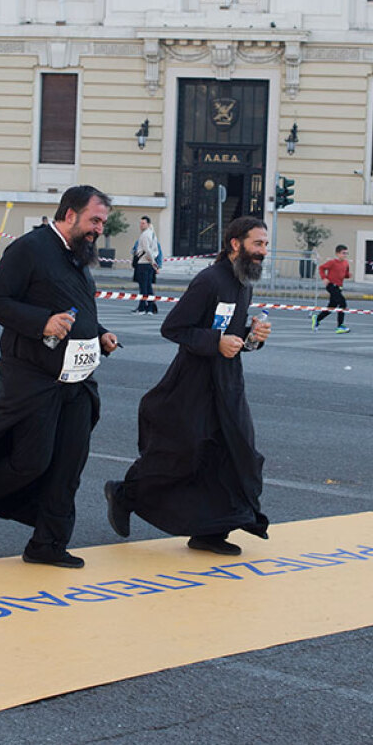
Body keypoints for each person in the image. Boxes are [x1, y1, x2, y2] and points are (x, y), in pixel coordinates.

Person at [0, 185, 121, 568]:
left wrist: (99, 334)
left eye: (102, 222)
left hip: (77, 379)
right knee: (31, 461)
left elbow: (75, 309)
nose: (99, 229)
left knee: (69, 466)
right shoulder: (29, 249)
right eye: (94, 220)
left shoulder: (76, 257)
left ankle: (47, 544)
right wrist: (42, 324)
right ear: (70, 214)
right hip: (32, 377)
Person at [105, 216, 274, 556]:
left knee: (235, 453)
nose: (263, 251)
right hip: (193, 383)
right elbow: (174, 328)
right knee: (181, 454)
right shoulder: (209, 280)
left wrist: (252, 337)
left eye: (266, 245)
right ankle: (125, 494)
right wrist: (216, 343)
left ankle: (211, 532)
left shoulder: (244, 281)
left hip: (227, 384)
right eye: (258, 244)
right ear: (235, 244)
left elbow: (230, 334)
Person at [313, 244, 351, 333]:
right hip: (331, 285)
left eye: (346, 253)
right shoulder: (332, 262)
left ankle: (317, 318)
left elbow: (345, 274)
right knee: (342, 303)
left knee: (332, 306)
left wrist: (348, 275)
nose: (345, 255)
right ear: (337, 254)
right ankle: (340, 326)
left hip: (339, 286)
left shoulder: (346, 263)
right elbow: (321, 268)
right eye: (343, 253)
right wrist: (324, 278)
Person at [130, 215, 163, 313]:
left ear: (148, 224)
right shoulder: (153, 234)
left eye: (143, 223)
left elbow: (147, 250)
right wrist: (154, 263)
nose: (141, 225)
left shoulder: (145, 235)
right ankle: (150, 307)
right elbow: (156, 250)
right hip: (149, 264)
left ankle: (142, 308)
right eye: (140, 223)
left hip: (143, 263)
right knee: (148, 286)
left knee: (143, 287)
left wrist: (153, 262)